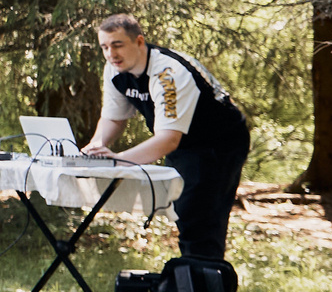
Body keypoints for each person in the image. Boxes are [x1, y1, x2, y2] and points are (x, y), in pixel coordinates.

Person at [83, 14, 252, 264]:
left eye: (117, 45)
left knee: (200, 217)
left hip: (219, 142)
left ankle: (207, 291)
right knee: (183, 212)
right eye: (105, 47)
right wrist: (96, 146)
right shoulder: (115, 70)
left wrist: (118, 161)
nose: (111, 54)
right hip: (184, 142)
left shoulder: (168, 73)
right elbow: (114, 118)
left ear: (139, 42)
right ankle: (191, 286)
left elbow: (167, 141)